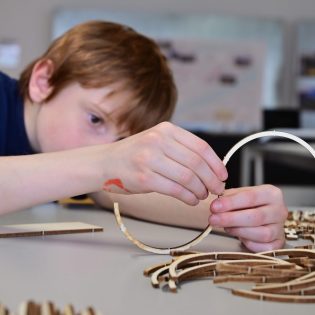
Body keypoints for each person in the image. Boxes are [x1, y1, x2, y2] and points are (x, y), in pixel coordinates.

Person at [0, 20, 287, 252]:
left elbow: (113, 191)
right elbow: (101, 171)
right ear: (44, 82)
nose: (104, 147)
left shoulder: (70, 155)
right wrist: (107, 163)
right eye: (95, 119)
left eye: (121, 142)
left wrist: (238, 214)